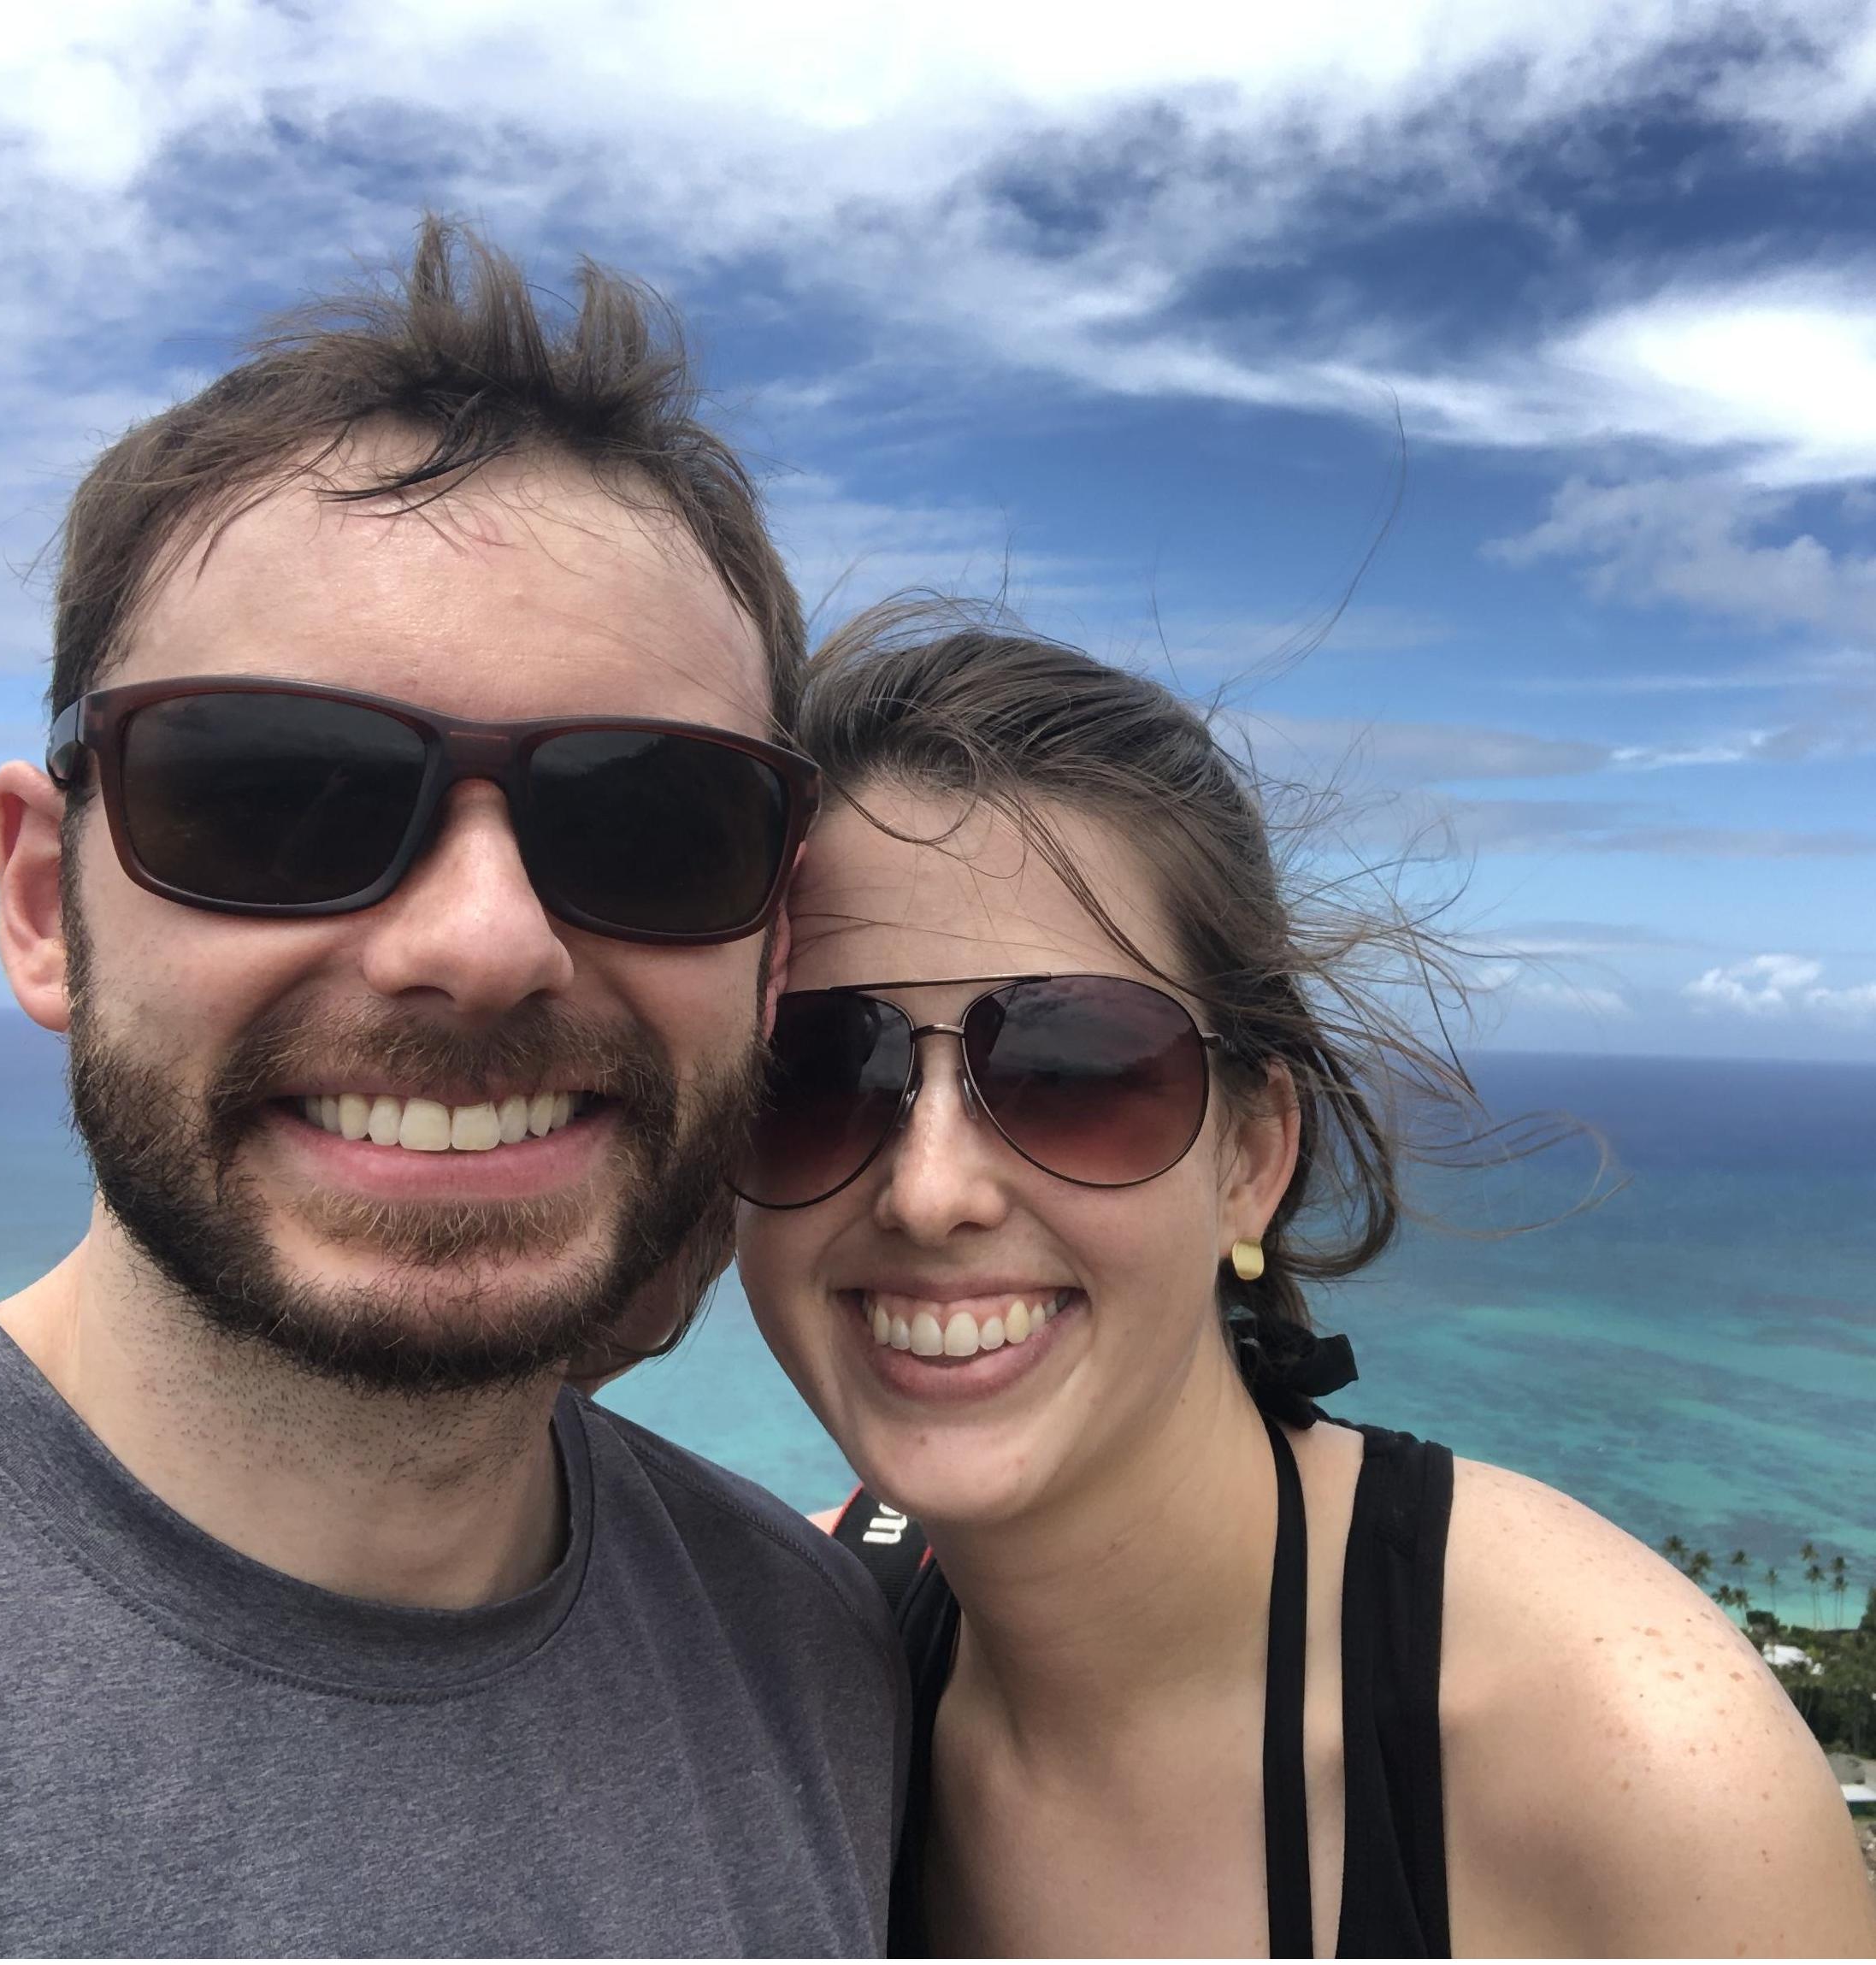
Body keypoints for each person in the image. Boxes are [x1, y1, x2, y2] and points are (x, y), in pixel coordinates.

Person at [0, 220, 905, 1957]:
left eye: (652, 824)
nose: (485, 941)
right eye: (283, 796)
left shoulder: (813, 1658)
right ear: (39, 901)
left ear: (770, 953)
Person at [734, 604, 1876, 1958]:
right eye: (817, 1071)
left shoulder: (1628, 1770)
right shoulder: (768, 1659)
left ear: (1253, 1157)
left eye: (1069, 1071)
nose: (929, 1190)